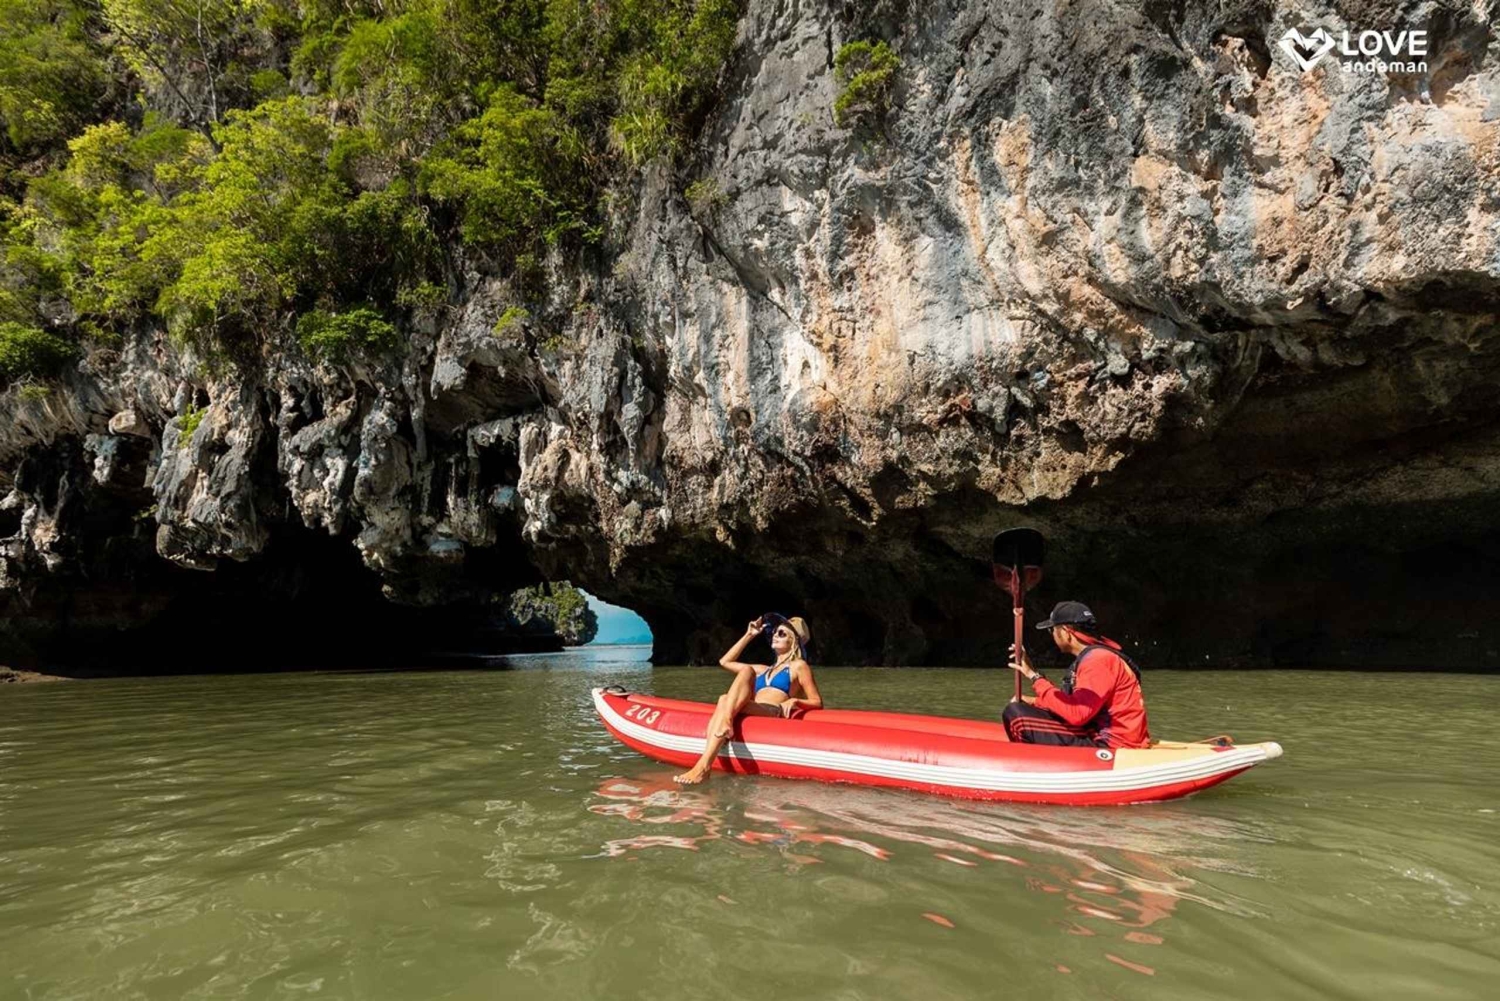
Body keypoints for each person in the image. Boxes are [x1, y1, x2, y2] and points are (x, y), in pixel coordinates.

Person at [673, 613, 822, 784]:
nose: (775, 635)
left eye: (781, 633)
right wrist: (749, 635)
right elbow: (724, 661)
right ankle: (713, 748)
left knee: (729, 694)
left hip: (773, 711)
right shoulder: (763, 669)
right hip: (752, 708)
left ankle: (704, 765)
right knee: (730, 691)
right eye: (774, 632)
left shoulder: (798, 666)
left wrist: (795, 701)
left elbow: (817, 702)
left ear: (793, 641)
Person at [1002, 600, 1150, 748]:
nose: (1052, 635)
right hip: (1099, 734)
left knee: (1016, 713)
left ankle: (1027, 762)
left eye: (1052, 630)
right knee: (1023, 706)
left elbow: (1076, 714)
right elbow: (1071, 705)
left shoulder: (1098, 661)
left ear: (1066, 632)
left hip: (1111, 745)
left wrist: (1034, 677)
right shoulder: (1097, 656)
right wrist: (1034, 702)